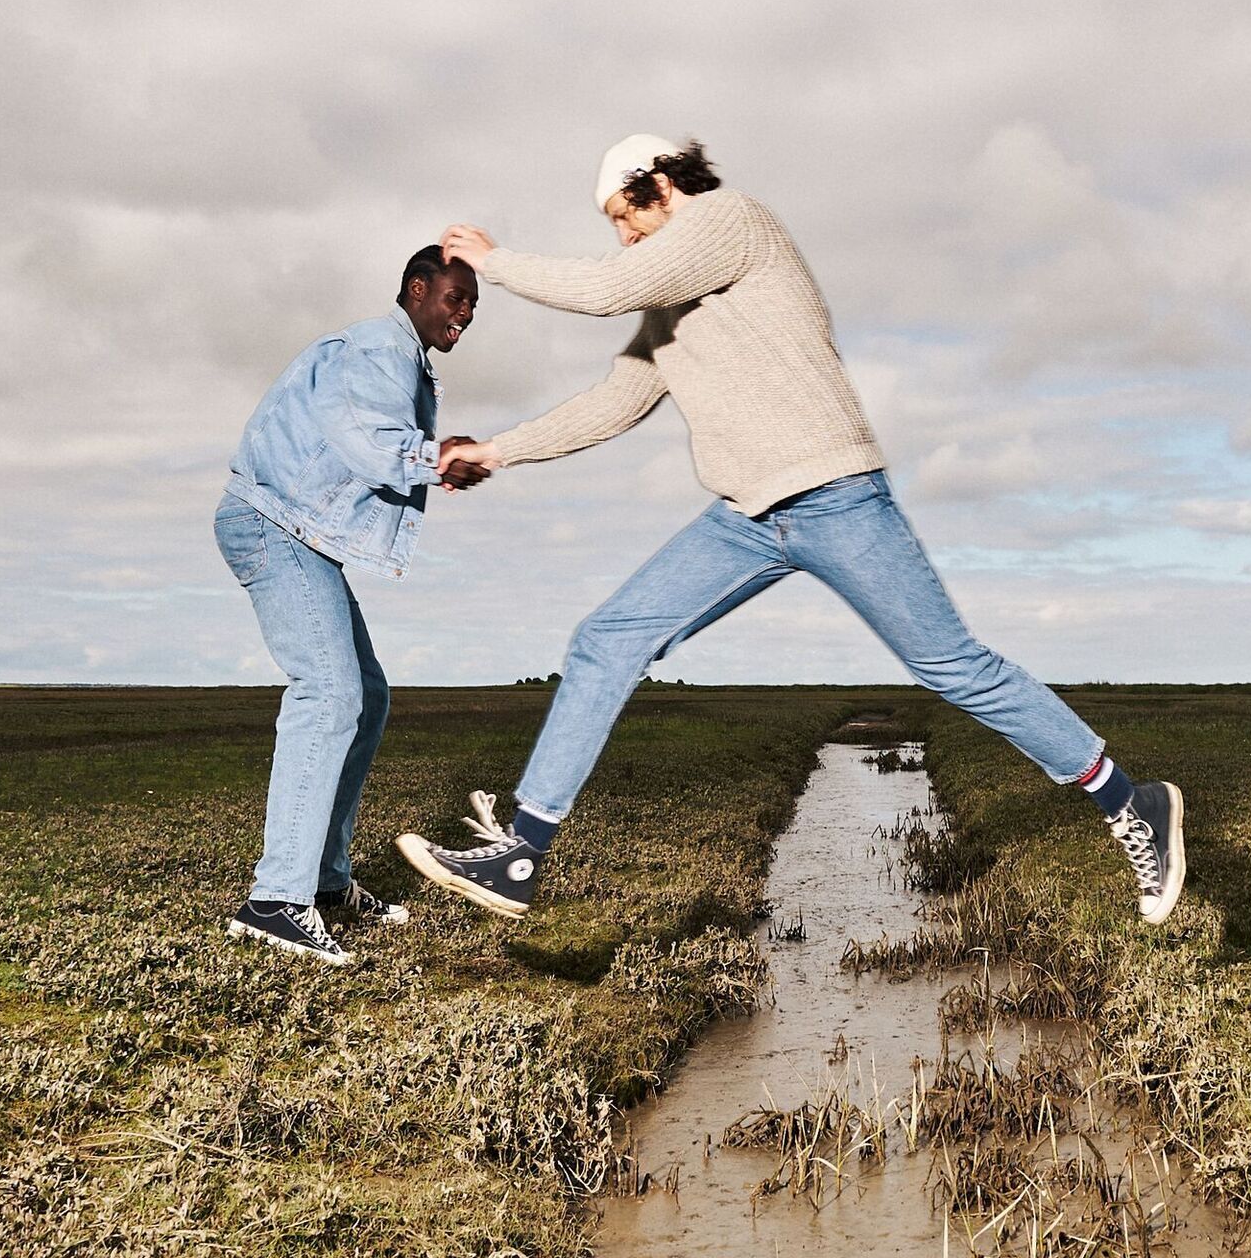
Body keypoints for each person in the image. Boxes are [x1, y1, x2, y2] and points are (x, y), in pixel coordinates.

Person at [399, 135, 1184, 926]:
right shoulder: (669, 297)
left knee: (955, 668)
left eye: (623, 216)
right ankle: (522, 856)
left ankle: (1132, 802)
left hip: (836, 497)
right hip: (744, 518)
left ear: (662, 185)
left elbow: (608, 287)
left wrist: (494, 262)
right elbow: (618, 399)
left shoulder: (731, 221)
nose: (623, 236)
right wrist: (498, 451)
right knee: (607, 638)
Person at [214, 245, 491, 965]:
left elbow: (378, 442)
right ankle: (277, 901)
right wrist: (435, 457)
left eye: (472, 306)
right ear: (417, 288)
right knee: (331, 693)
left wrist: (436, 452)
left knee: (366, 694)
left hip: (294, 530)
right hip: (272, 525)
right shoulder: (378, 349)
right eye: (454, 297)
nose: (463, 314)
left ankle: (327, 881)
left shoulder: (398, 358)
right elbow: (367, 439)